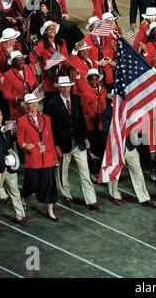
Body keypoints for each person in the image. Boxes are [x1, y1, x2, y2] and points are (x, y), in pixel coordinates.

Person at [44, 76, 101, 211]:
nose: (65, 89)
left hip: (78, 141)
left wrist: (85, 137)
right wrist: (55, 145)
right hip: (63, 144)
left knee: (85, 170)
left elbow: (81, 119)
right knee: (63, 171)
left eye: (68, 86)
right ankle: (67, 195)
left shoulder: (76, 99)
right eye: (63, 87)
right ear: (58, 88)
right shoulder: (52, 104)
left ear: (71, 87)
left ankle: (91, 200)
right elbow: (50, 128)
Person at [101, 97, 156, 208]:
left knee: (138, 172)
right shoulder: (107, 112)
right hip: (116, 148)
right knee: (114, 173)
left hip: (130, 146)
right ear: (113, 99)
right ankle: (115, 195)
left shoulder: (129, 110)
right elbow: (107, 132)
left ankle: (144, 197)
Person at [17, 93, 59, 222]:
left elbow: (50, 139)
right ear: (27, 105)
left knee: (50, 185)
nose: (34, 105)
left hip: (47, 157)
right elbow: (19, 139)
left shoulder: (47, 118)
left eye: (36, 103)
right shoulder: (22, 120)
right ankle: (25, 197)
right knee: (32, 183)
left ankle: (50, 211)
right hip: (33, 158)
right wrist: (25, 145)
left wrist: (55, 157)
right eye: (31, 103)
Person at [0, 106, 28, 226]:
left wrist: (11, 153)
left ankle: (21, 216)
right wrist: (4, 128)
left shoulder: (7, 127)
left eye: (0, 115)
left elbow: (9, 143)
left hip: (9, 165)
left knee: (15, 191)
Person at [29, 20, 72, 107]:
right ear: (45, 31)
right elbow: (32, 61)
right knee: (50, 105)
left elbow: (65, 58)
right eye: (50, 29)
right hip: (49, 80)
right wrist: (32, 48)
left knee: (63, 104)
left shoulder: (61, 42)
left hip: (62, 77)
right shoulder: (40, 45)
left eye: (54, 29)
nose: (53, 31)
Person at [79, 68, 107, 179]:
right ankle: (93, 169)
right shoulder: (85, 90)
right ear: (89, 80)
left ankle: (100, 169)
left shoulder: (103, 90)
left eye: (96, 79)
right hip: (89, 124)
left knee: (101, 147)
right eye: (92, 79)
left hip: (100, 123)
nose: (94, 81)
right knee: (91, 147)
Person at [0, 28, 22, 118]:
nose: (16, 40)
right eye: (14, 38)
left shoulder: (17, 46)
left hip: (15, 80)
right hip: (2, 84)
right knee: (5, 109)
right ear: (8, 41)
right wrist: (1, 77)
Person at [2, 51, 38, 120]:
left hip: (32, 104)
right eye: (18, 61)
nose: (21, 62)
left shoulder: (28, 67)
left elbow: (35, 81)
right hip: (18, 108)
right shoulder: (8, 75)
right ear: (13, 63)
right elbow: (6, 94)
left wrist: (37, 89)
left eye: (22, 59)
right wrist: (18, 98)